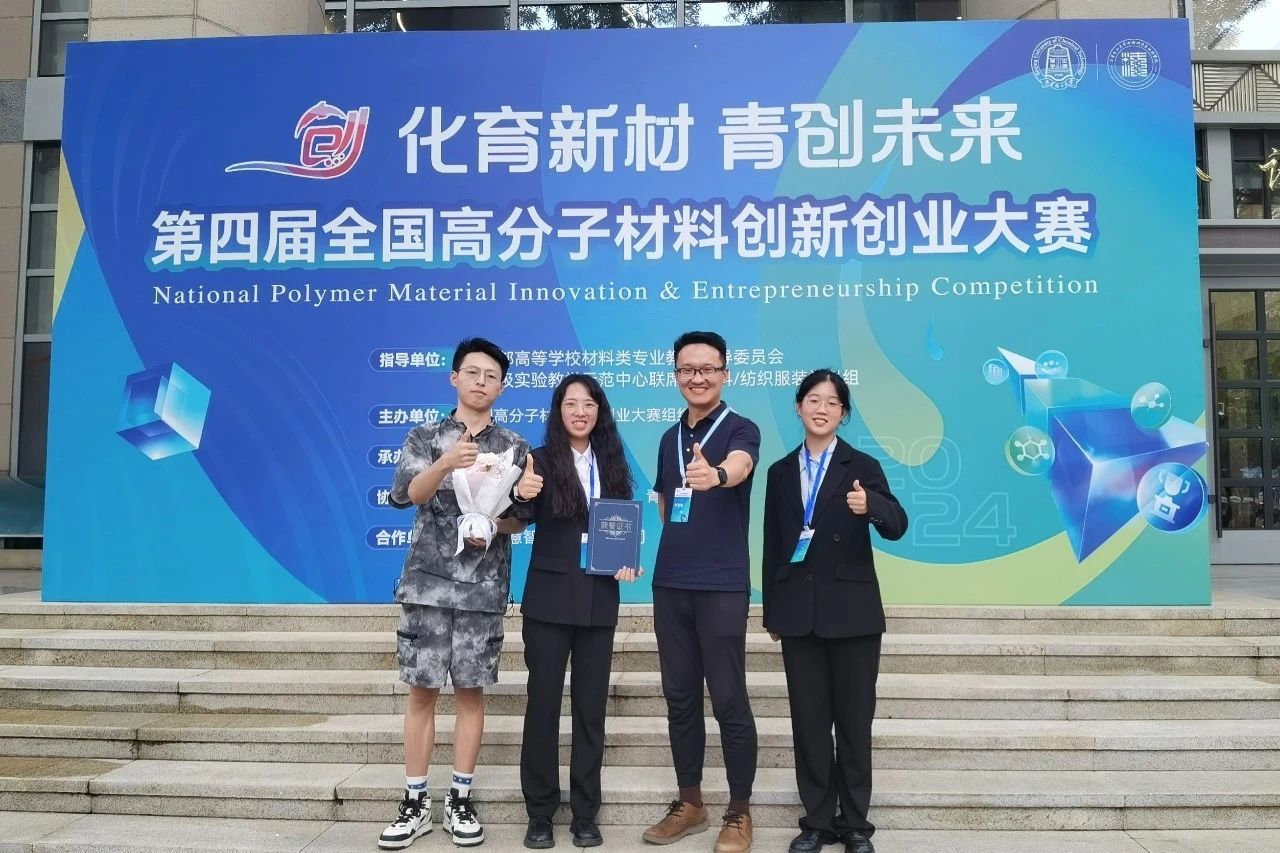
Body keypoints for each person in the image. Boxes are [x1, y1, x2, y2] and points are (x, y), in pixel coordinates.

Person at [379, 337, 532, 850]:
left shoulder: (514, 446)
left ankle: (460, 799)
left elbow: (519, 520)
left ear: (502, 386)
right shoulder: (424, 436)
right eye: (473, 372)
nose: (481, 382)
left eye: (492, 376)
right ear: (454, 378)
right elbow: (407, 495)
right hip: (426, 586)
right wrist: (446, 463)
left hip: (482, 591)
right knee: (422, 692)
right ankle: (415, 801)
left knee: (470, 694)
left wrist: (496, 521)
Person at [761, 370, 908, 853]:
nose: (821, 408)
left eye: (832, 402)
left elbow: (897, 524)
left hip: (852, 614)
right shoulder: (780, 471)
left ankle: (856, 825)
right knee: (808, 724)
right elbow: (773, 544)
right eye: (813, 399)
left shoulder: (862, 465)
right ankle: (817, 822)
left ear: (844, 413)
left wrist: (871, 505)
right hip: (798, 614)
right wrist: (772, 611)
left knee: (853, 723)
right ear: (798, 406)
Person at [642, 331, 759, 853]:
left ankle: (739, 810)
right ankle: (690, 802)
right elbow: (667, 504)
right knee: (680, 697)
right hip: (671, 581)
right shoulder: (668, 437)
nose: (698, 378)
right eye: (688, 369)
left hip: (722, 584)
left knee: (729, 697)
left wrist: (717, 474)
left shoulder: (741, 428)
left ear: (724, 374)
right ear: (676, 375)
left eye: (708, 369)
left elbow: (741, 466)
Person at [516, 374, 644, 850]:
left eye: (588, 404)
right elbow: (516, 518)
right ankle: (540, 813)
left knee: (591, 711)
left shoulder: (612, 462)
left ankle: (586, 812)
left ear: (599, 412)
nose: (580, 411)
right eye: (571, 403)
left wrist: (627, 560)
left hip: (598, 599)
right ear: (559, 411)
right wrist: (521, 492)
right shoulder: (539, 459)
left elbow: (620, 527)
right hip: (549, 601)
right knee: (543, 708)